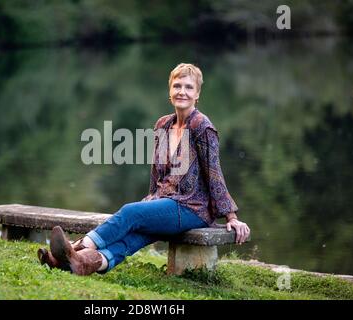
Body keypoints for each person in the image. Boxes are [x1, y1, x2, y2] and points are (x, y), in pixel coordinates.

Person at [37, 63, 250, 276]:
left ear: (197, 94)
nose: (182, 92)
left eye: (188, 87)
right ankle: (85, 264)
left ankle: (74, 250)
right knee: (134, 234)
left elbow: (214, 174)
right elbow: (157, 173)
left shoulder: (202, 127)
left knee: (131, 212)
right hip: (167, 203)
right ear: (170, 91)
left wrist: (231, 217)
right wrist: (150, 202)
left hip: (193, 208)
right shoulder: (163, 125)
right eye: (177, 86)